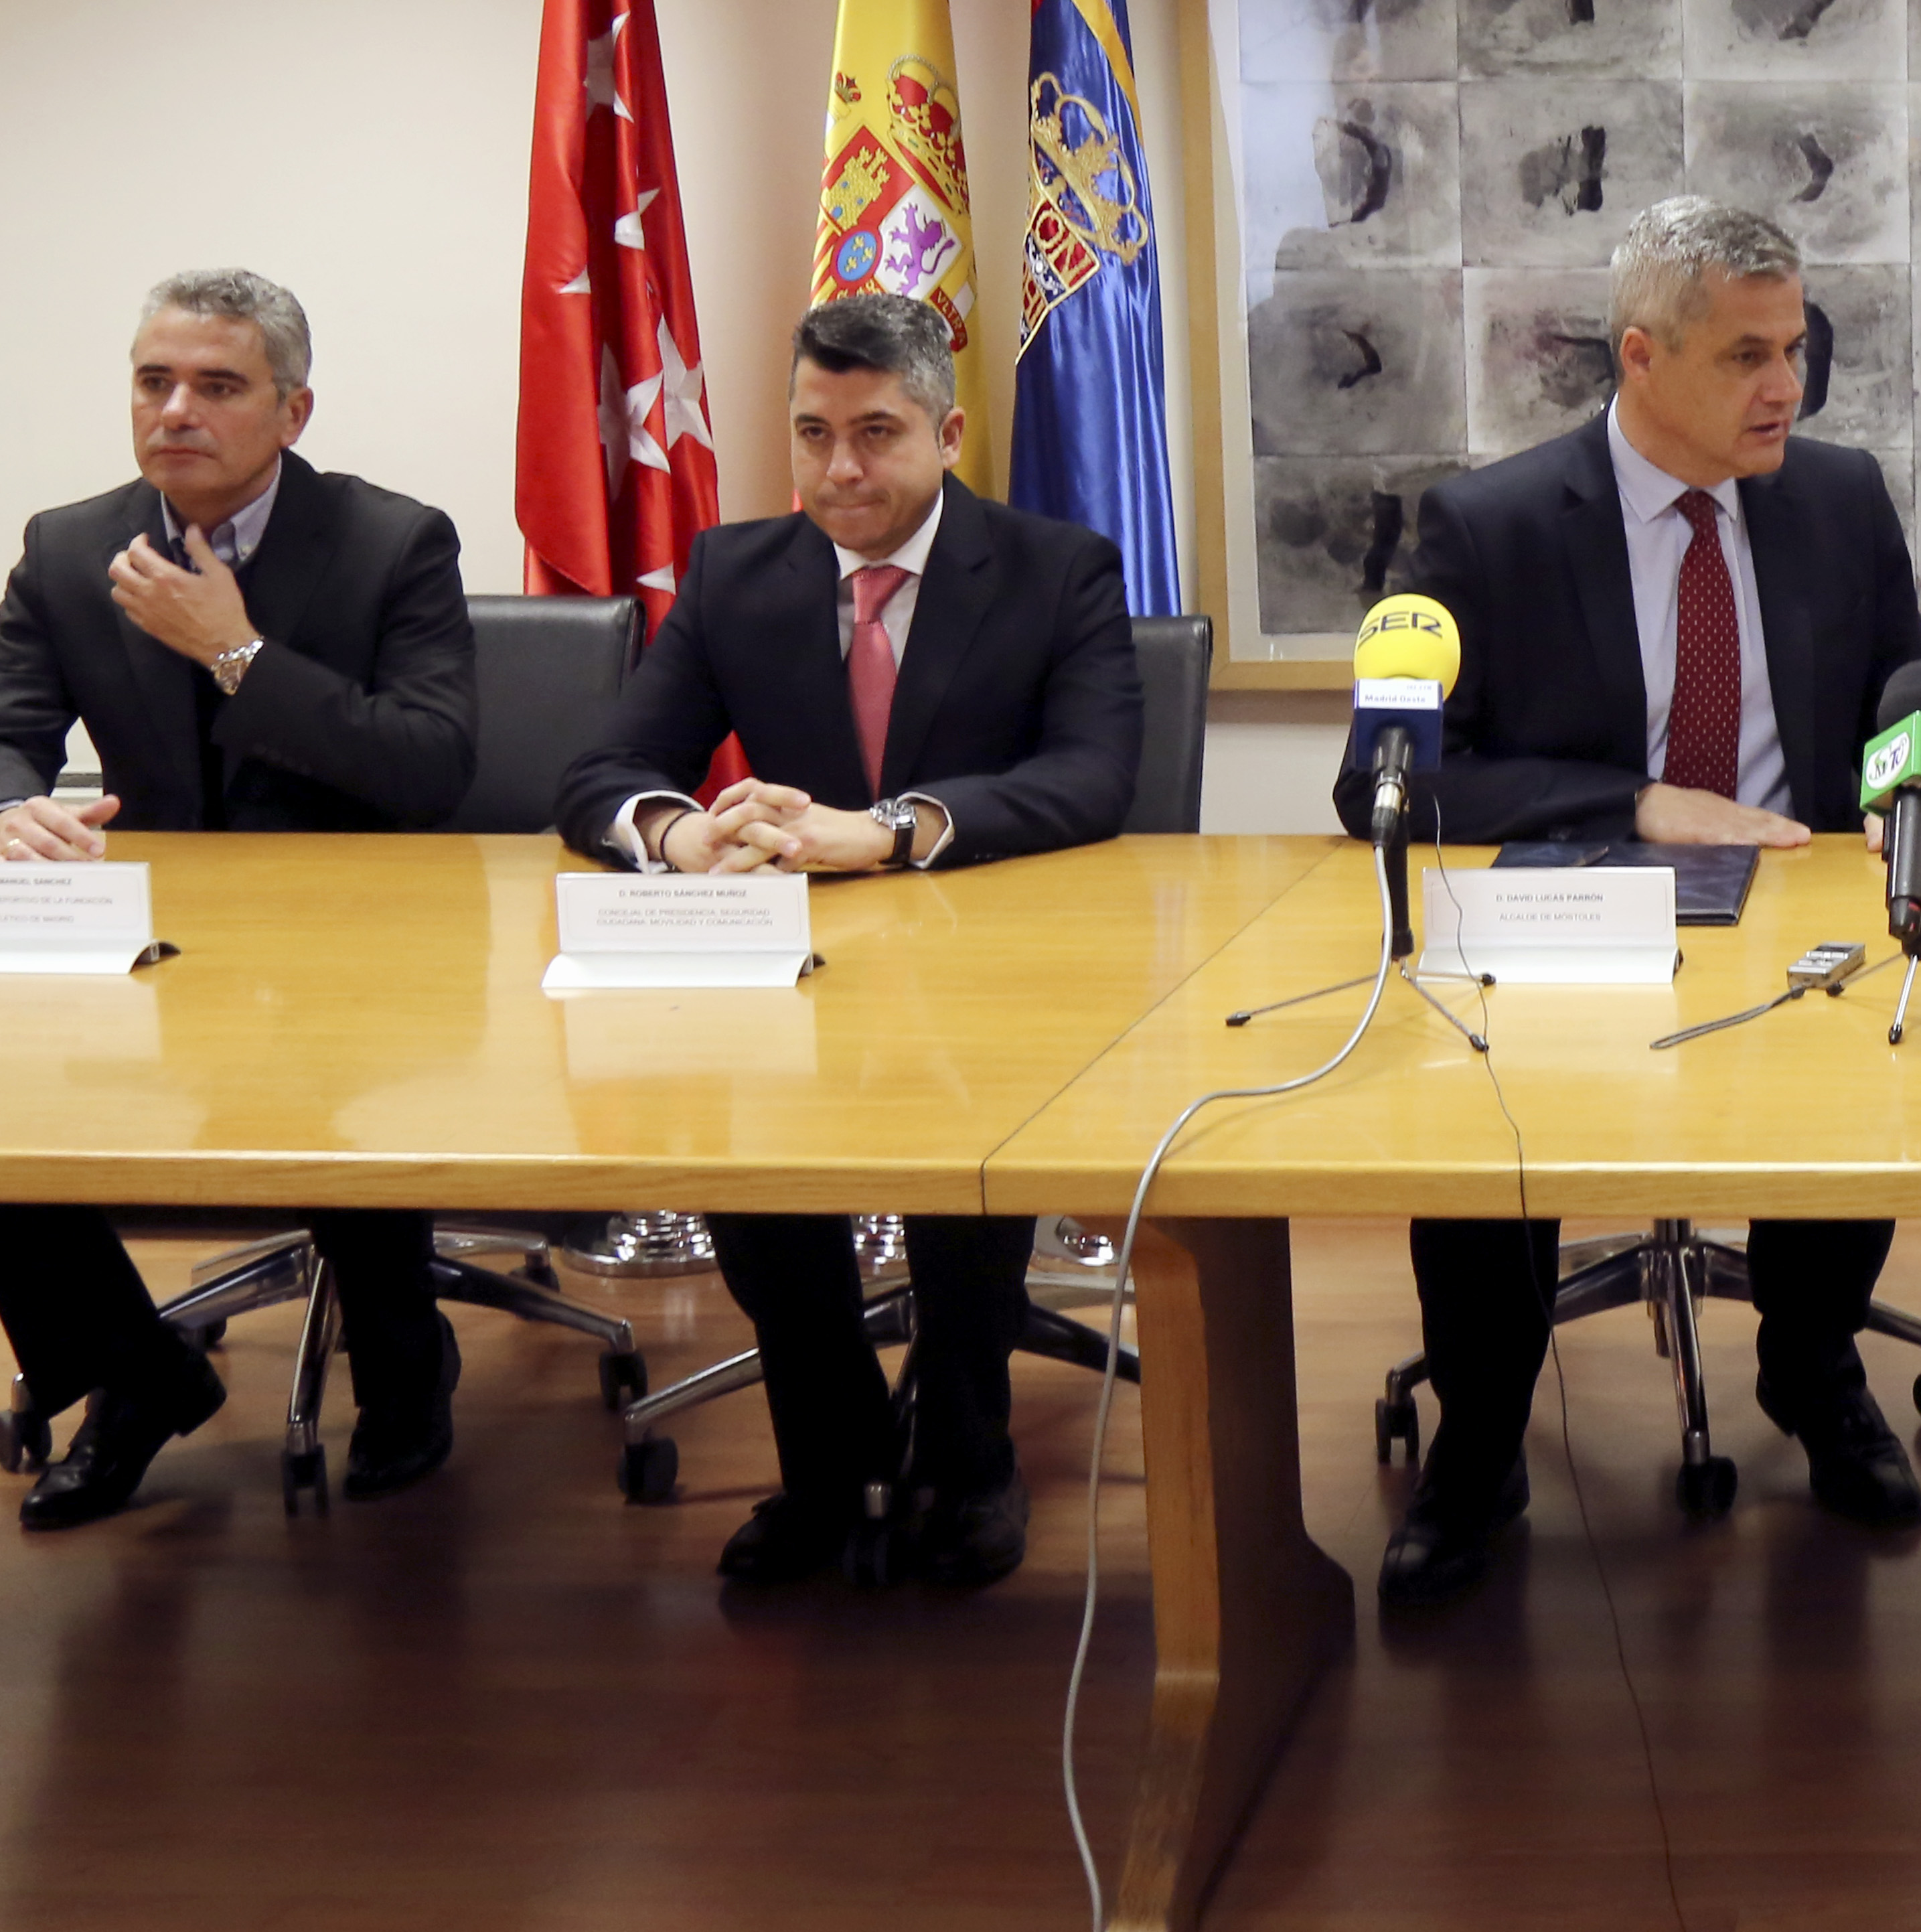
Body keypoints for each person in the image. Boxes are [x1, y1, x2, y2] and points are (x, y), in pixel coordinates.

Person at [1354, 196, 1921, 1608]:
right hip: (1571, 915)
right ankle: (1482, 1435)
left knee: (1862, 1059)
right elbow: (1386, 782)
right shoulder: (1491, 525)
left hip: (1791, 904)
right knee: (1486, 1121)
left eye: (1796, 349)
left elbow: (1900, 698)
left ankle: (1812, 1365)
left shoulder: (1838, 498)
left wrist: (1919, 794)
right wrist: (1637, 802)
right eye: (1746, 356)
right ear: (1643, 357)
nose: (1787, 386)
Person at [555, 293, 1142, 1590]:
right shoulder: (736, 573)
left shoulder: (1057, 569)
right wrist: (676, 834)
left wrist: (889, 831)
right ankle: (829, 1464)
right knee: (752, 1169)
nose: (840, 470)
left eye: (876, 433)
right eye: (813, 434)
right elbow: (602, 769)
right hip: (793, 976)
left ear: (948, 433)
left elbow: (1094, 777)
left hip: (992, 974)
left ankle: (970, 1463)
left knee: (964, 1173)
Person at [0, 269, 477, 1526]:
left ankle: (406, 1361)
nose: (177, 411)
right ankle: (133, 1371)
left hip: (357, 939)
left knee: (332, 1066)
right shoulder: (67, 547)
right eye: (154, 382)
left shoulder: (393, 542)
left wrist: (236, 651)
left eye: (218, 386)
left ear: (292, 411)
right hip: (152, 939)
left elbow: (430, 765)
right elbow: (7, 735)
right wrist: (13, 807)